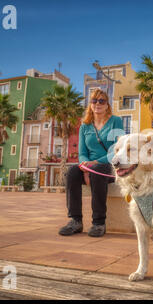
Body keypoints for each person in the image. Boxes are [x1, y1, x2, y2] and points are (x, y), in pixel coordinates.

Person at [59, 89, 124, 237]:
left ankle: (99, 223)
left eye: (102, 101)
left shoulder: (116, 121)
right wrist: (85, 167)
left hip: (110, 166)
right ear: (90, 105)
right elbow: (82, 153)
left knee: (98, 170)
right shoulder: (85, 126)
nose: (98, 104)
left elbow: (117, 150)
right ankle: (75, 221)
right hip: (90, 167)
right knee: (72, 172)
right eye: (94, 101)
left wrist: (94, 163)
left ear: (107, 105)